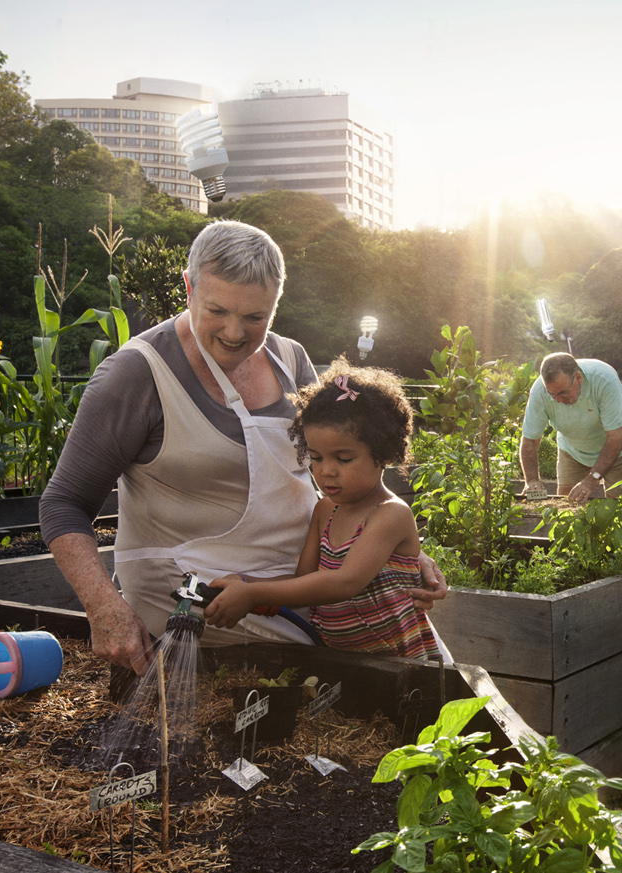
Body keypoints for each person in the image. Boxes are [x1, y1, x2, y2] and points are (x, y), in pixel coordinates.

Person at [40, 220, 446, 676]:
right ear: (189, 286)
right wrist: (104, 608)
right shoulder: (136, 376)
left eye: (255, 317)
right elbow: (63, 504)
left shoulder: (289, 358)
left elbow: (346, 454)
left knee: (435, 679)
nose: (235, 333)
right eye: (218, 311)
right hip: (208, 594)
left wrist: (394, 550)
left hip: (305, 583)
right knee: (364, 684)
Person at [202, 360, 440, 659]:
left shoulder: (390, 514)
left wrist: (252, 595)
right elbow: (303, 582)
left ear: (382, 453)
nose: (326, 471)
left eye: (343, 458)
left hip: (401, 662)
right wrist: (245, 584)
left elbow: (345, 582)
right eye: (315, 457)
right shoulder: (324, 511)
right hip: (342, 659)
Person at [518, 352, 622, 504]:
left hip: (619, 451)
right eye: (552, 394)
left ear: (578, 378)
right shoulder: (539, 392)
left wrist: (591, 480)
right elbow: (530, 440)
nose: (558, 400)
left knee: (618, 507)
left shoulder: (604, 379)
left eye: (563, 393)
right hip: (573, 451)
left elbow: (615, 437)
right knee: (566, 505)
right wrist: (531, 480)